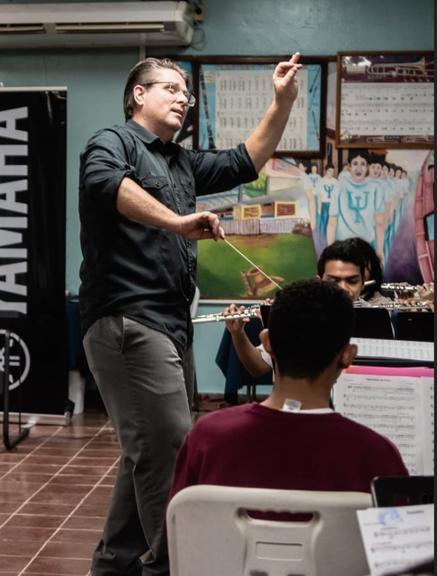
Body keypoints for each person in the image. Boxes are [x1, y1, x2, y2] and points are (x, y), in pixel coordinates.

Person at [79, 54, 302, 576]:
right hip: (128, 319)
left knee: (151, 451)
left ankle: (113, 566)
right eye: (172, 89)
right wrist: (177, 222)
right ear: (138, 94)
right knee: (171, 450)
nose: (184, 99)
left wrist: (282, 102)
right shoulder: (113, 142)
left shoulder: (180, 161)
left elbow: (247, 160)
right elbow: (107, 185)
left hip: (169, 327)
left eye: (188, 93)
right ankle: (177, 566)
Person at [169, 279, 408, 499]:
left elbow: (177, 525)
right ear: (348, 355)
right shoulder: (379, 455)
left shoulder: (207, 438)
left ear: (267, 343)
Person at [223, 237, 372, 378]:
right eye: (334, 281)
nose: (343, 288)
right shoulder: (299, 315)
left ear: (362, 283)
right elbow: (257, 368)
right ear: (319, 281)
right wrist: (238, 333)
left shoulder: (376, 318)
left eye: (352, 281)